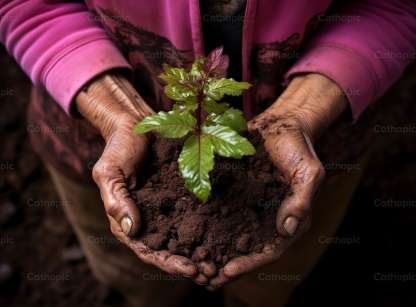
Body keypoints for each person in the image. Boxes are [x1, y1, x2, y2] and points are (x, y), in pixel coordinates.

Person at [1, 0, 415, 306]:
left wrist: (301, 114)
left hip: (321, 140)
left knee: (268, 285)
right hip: (89, 131)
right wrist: (114, 114)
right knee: (136, 279)